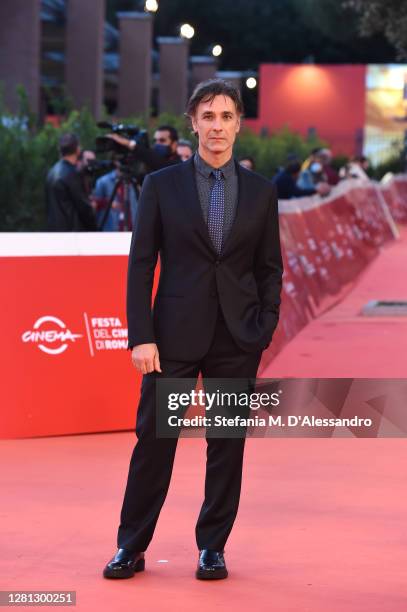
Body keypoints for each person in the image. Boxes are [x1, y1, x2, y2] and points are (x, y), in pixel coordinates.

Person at [103, 79, 283, 581]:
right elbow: (141, 265)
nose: (217, 126)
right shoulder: (161, 185)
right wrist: (140, 335)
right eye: (208, 116)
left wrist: (263, 326)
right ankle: (131, 546)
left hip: (237, 338)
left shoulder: (263, 193)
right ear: (193, 122)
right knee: (155, 443)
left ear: (238, 123)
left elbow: (270, 268)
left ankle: (213, 547)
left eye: (226, 116)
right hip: (171, 340)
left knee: (227, 446)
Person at [46, 134, 96, 231]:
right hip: (71, 234)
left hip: (54, 231)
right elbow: (84, 208)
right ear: (77, 149)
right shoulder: (71, 174)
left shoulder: (52, 171)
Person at [107, 125, 181, 172]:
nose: (157, 144)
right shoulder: (150, 164)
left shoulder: (178, 165)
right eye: (155, 140)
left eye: (162, 140)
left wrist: (129, 144)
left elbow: (159, 163)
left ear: (174, 144)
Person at [92, 159, 138, 231]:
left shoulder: (133, 181)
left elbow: (135, 204)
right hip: (111, 228)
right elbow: (95, 204)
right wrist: (108, 203)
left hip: (131, 228)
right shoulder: (103, 181)